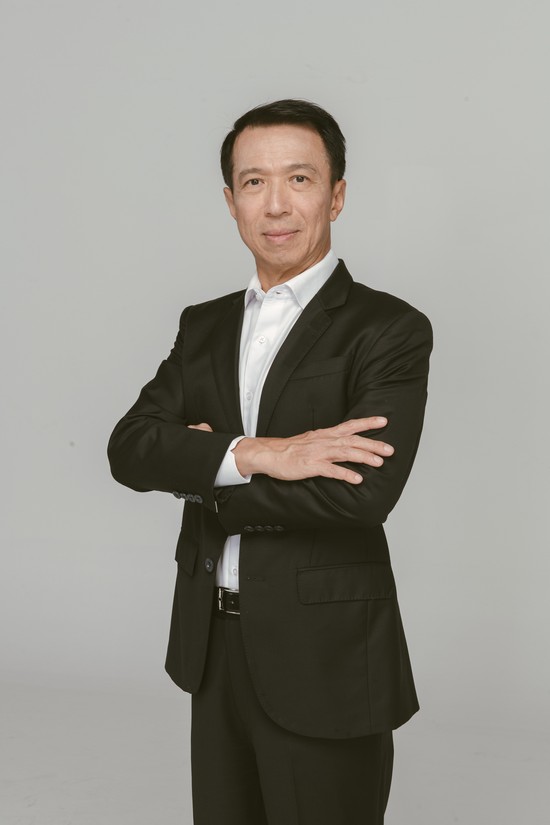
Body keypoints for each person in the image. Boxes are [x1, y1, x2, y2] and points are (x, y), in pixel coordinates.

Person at [108, 99, 432, 825]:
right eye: (254, 182)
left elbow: (361, 493)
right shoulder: (203, 325)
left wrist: (207, 475)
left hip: (325, 652)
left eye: (299, 178)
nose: (276, 204)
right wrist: (263, 454)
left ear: (336, 195)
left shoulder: (388, 329)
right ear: (231, 201)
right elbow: (129, 447)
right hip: (212, 644)